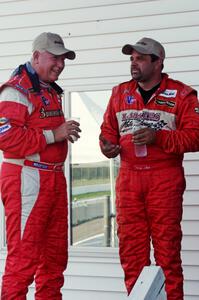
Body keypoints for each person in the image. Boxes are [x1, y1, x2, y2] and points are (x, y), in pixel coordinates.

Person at [99, 37, 199, 300]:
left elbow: (195, 137)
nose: (134, 64)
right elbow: (107, 133)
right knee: (132, 257)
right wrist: (107, 147)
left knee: (168, 256)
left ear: (158, 62)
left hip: (164, 179)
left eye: (140, 58)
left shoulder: (182, 94)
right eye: (132, 59)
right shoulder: (119, 93)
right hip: (129, 178)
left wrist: (159, 138)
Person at [0, 32, 81, 299]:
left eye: (63, 58)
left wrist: (62, 133)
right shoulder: (16, 89)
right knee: (23, 259)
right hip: (27, 179)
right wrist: (53, 135)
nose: (60, 63)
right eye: (54, 57)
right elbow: (6, 138)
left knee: (55, 260)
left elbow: (45, 129)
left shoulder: (48, 90)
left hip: (54, 180)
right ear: (36, 56)